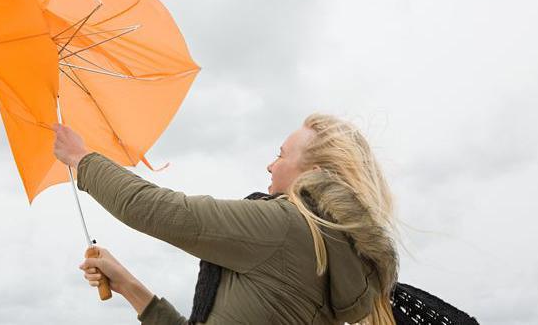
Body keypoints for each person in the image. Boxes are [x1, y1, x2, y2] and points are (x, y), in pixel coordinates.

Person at [53, 113, 399, 324]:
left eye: (280, 155)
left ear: (316, 174)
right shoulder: (330, 251)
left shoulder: (286, 228)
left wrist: (81, 158)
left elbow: (155, 209)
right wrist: (127, 284)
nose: (270, 165)